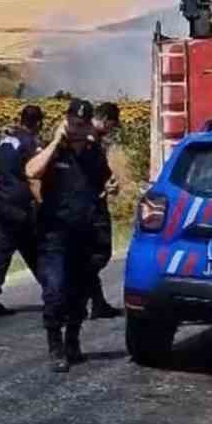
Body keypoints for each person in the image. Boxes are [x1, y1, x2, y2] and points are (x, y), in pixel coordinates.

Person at [26, 97, 113, 372]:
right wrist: (55, 143)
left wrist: (111, 187)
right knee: (54, 290)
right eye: (73, 123)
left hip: (84, 233)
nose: (76, 129)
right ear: (66, 121)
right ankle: (55, 345)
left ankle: (72, 341)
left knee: (79, 292)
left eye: (82, 124)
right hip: (54, 233)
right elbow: (31, 171)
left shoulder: (93, 152)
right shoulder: (53, 151)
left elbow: (105, 181)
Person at [0, 103, 44, 318]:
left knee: (0, 254)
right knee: (37, 251)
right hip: (21, 205)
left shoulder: (4, 141)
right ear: (37, 123)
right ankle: (53, 292)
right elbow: (34, 175)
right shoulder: (30, 143)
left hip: (2, 203)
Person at [88, 100, 123, 319]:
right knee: (98, 254)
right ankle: (83, 298)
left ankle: (97, 302)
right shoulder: (89, 141)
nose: (111, 131)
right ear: (106, 120)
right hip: (91, 206)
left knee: (92, 255)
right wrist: (103, 187)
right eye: (111, 125)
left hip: (91, 203)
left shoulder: (89, 139)